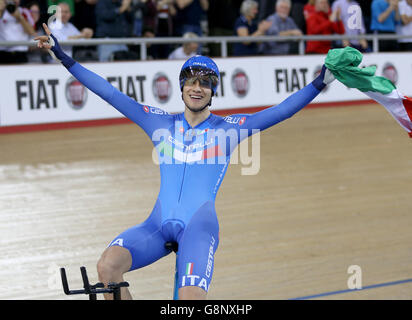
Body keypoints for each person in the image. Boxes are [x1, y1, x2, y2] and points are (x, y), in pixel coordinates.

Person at [35, 22, 335, 300]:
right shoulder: (158, 122)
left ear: (212, 91)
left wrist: (320, 82)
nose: (196, 88)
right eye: (190, 81)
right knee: (107, 267)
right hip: (157, 225)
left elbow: (281, 111)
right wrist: (64, 58)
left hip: (198, 229)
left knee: (190, 301)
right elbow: (109, 93)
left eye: (205, 84)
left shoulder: (229, 129)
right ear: (181, 87)